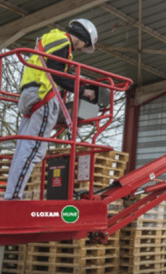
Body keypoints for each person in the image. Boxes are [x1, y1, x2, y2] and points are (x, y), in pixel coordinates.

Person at [3, 18, 98, 200]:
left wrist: (73, 79)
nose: (80, 49)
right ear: (81, 37)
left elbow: (56, 68)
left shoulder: (49, 39)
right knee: (34, 149)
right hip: (43, 95)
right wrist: (82, 90)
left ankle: (10, 193)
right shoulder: (63, 42)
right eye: (83, 45)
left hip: (30, 94)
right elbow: (56, 72)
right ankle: (13, 197)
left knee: (23, 147)